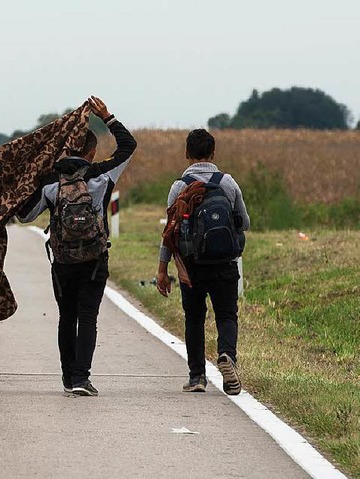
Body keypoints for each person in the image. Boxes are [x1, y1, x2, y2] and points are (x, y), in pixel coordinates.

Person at [17, 96, 137, 396]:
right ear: (92, 151)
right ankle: (82, 378)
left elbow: (24, 216)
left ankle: (69, 378)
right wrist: (107, 117)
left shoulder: (50, 184)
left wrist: (26, 180)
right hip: (95, 260)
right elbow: (128, 147)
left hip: (63, 263)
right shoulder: (101, 175)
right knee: (88, 317)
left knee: (66, 318)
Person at [156, 129, 250, 395]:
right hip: (224, 264)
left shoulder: (179, 186)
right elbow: (246, 222)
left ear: (187, 154)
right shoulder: (228, 182)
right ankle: (226, 356)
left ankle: (197, 376)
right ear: (213, 153)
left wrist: (162, 269)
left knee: (194, 318)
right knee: (227, 315)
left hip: (191, 266)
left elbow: (169, 232)